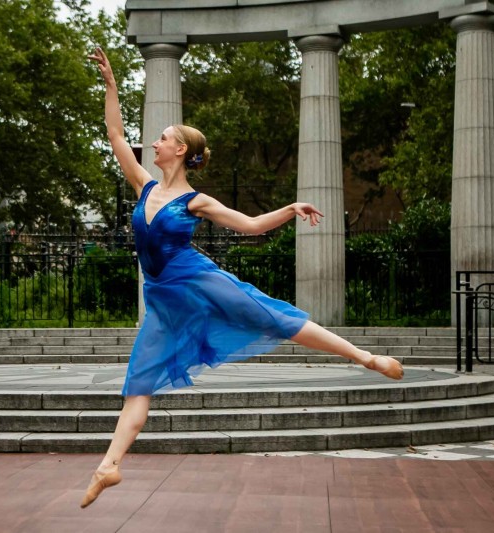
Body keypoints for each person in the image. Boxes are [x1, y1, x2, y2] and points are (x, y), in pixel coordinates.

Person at [81, 47, 404, 508]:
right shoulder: (143, 185)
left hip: (197, 280)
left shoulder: (195, 201)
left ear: (181, 150)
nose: (153, 143)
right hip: (162, 301)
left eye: (162, 138)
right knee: (138, 383)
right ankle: (108, 466)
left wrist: (290, 209)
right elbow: (114, 132)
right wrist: (111, 84)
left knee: (271, 316)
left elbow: (250, 225)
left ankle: (364, 357)